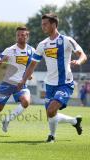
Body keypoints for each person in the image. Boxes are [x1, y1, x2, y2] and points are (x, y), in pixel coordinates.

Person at [18, 13, 87, 143]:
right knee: (51, 115)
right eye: (42, 24)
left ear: (53, 24)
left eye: (45, 24)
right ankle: (74, 121)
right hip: (49, 84)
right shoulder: (42, 44)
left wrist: (79, 62)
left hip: (65, 83)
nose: (42, 27)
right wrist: (23, 80)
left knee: (51, 110)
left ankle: (51, 137)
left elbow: (82, 55)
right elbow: (32, 64)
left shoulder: (67, 40)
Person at [0, 26, 35, 136]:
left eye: (22, 35)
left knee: (26, 102)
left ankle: (7, 120)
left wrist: (29, 75)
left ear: (27, 36)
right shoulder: (10, 50)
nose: (20, 37)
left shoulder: (32, 50)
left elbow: (30, 66)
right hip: (8, 83)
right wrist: (1, 60)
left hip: (21, 84)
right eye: (18, 35)